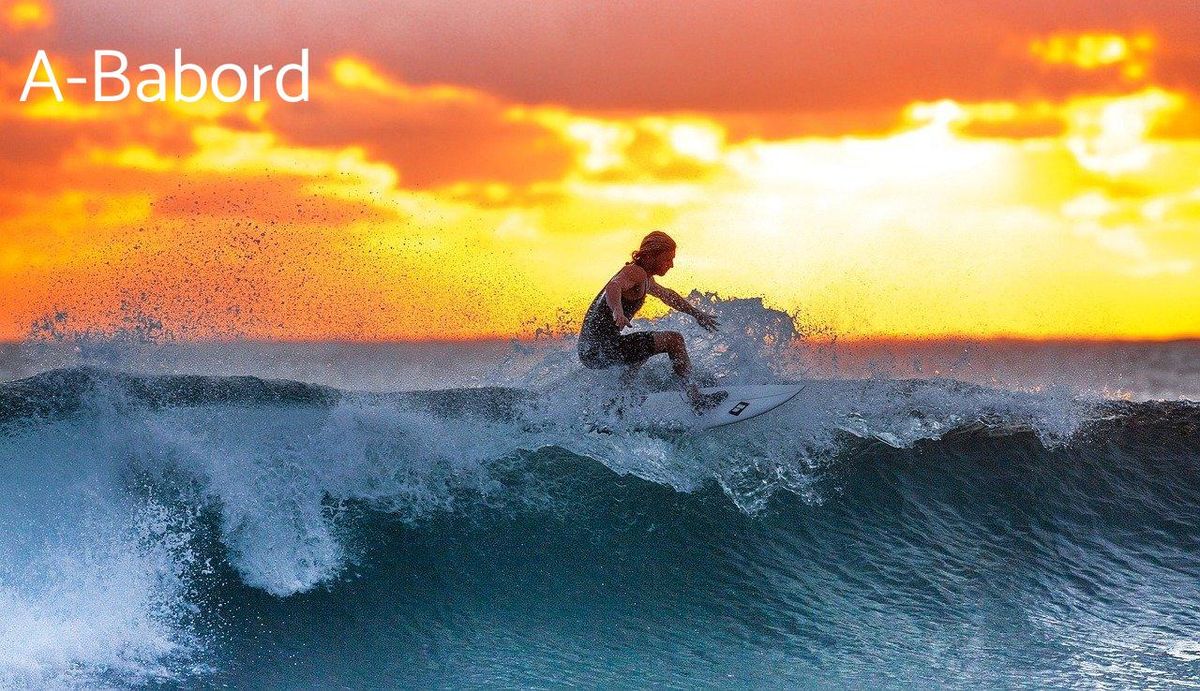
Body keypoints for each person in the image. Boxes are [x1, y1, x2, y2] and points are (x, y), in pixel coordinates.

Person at [577, 230, 726, 412]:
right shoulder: (635, 272)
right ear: (650, 256)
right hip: (599, 348)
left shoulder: (645, 278)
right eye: (667, 259)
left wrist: (696, 313)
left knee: (643, 349)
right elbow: (613, 286)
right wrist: (617, 310)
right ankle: (696, 399)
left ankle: (617, 404)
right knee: (674, 340)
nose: (671, 265)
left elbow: (668, 296)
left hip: (591, 351)